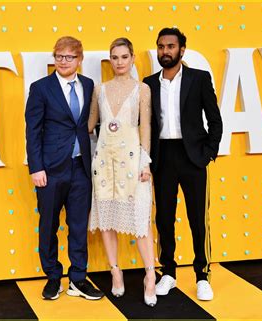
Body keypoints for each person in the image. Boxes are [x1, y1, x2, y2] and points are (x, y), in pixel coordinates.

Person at [143, 27, 223, 301]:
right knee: (164, 218)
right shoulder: (149, 83)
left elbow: (215, 120)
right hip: (163, 156)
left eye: (171, 46)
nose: (165, 51)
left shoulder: (199, 79)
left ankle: (202, 275)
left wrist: (208, 153)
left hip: (193, 157)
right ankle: (168, 273)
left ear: (181, 50)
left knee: (197, 219)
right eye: (161, 46)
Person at [25, 36, 104, 301]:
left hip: (81, 168)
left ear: (79, 60)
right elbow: (33, 132)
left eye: (69, 57)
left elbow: (87, 124)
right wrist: (36, 168)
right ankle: (52, 277)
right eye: (59, 56)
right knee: (48, 224)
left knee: (78, 225)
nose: (63, 61)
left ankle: (78, 279)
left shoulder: (89, 85)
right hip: (50, 169)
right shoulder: (40, 88)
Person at [88, 37, 157, 307]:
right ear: (110, 59)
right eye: (114, 57)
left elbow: (146, 128)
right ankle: (115, 271)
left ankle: (149, 275)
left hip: (133, 162)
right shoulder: (100, 90)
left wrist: (145, 163)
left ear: (132, 58)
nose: (119, 62)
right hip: (104, 162)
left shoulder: (143, 90)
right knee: (107, 219)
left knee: (141, 220)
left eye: (124, 57)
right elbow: (91, 124)